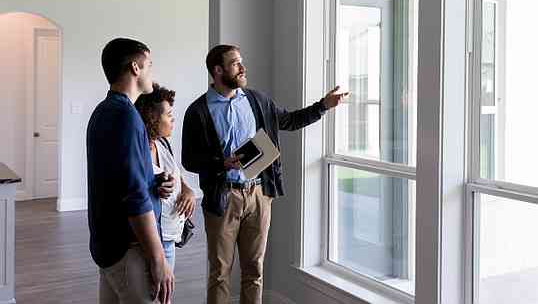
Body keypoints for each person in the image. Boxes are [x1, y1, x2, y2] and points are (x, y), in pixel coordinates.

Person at [182, 44, 347, 304]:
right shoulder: (198, 111)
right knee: (220, 274)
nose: (242, 67)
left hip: (259, 195)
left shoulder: (257, 100)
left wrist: (323, 105)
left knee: (254, 270)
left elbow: (290, 121)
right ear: (217, 70)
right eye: (235, 63)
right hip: (223, 198)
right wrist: (221, 163)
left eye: (241, 61)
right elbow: (189, 159)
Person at [86, 38, 174, 304]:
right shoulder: (126, 116)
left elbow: (116, 178)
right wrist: (158, 258)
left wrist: (153, 179)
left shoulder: (103, 111)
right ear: (135, 68)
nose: (151, 72)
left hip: (108, 247)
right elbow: (133, 196)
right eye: (149, 64)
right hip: (129, 250)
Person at [136, 83, 197, 271]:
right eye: (168, 115)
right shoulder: (138, 152)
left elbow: (176, 173)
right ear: (152, 118)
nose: (173, 120)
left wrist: (188, 191)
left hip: (170, 239)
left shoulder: (162, 143)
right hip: (154, 243)